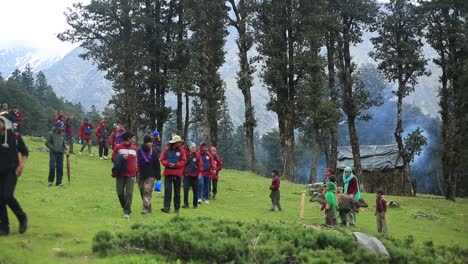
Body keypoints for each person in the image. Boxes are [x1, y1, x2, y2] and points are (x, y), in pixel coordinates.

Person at [0, 113, 29, 235]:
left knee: (7, 196)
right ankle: (4, 227)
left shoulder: (14, 136)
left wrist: (21, 165)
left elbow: (25, 152)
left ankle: (22, 217)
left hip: (12, 170)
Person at [111, 131, 138, 219]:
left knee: (129, 193)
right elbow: (113, 158)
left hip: (131, 173)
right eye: (133, 138)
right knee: (120, 192)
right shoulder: (118, 147)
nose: (135, 140)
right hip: (120, 173)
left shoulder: (135, 148)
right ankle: (126, 207)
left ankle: (126, 212)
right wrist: (121, 158)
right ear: (128, 139)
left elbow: (136, 161)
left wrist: (137, 172)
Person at [160, 135, 186, 213]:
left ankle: (177, 208)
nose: (180, 144)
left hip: (178, 174)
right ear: (175, 142)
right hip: (168, 172)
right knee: (168, 190)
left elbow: (183, 161)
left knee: (177, 192)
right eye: (179, 142)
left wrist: (176, 165)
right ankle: (166, 207)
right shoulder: (167, 150)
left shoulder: (182, 151)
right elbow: (162, 159)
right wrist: (168, 164)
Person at [137, 135, 161, 214]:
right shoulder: (139, 151)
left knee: (147, 190)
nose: (151, 144)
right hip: (141, 174)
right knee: (142, 190)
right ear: (145, 143)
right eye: (149, 142)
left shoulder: (153, 152)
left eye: (151, 142)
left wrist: (158, 175)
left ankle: (146, 208)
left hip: (151, 174)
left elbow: (157, 164)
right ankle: (148, 206)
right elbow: (137, 162)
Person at [46, 120, 68, 186]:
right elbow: (47, 143)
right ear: (57, 127)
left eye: (63, 127)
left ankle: (59, 182)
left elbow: (64, 143)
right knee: (52, 166)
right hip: (53, 153)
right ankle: (50, 181)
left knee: (60, 168)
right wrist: (53, 148)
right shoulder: (51, 133)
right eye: (61, 127)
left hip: (61, 153)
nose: (63, 128)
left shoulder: (63, 135)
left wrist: (65, 147)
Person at [183, 142, 199, 209]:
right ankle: (186, 204)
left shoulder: (197, 156)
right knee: (185, 189)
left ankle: (195, 205)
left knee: (195, 190)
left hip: (195, 175)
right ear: (190, 148)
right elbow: (183, 164)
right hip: (187, 175)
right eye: (192, 147)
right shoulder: (186, 155)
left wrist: (199, 174)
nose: (194, 149)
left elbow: (200, 165)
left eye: (195, 147)